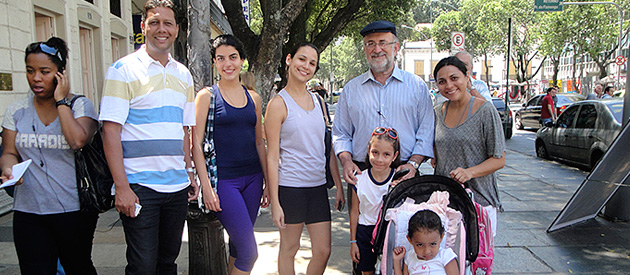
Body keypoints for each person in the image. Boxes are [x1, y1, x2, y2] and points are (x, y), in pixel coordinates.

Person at [99, 0, 198, 273]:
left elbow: (185, 129)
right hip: (139, 187)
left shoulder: (184, 75)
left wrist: (189, 172)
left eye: (167, 23)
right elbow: (110, 131)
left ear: (176, 29)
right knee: (142, 266)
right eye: (154, 22)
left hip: (176, 188)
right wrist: (121, 187)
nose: (161, 29)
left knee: (167, 263)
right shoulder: (122, 70)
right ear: (143, 27)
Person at [0, 37, 99, 274]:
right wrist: (8, 168)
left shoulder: (80, 106)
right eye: (30, 71)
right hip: (28, 211)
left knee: (78, 267)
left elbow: (77, 140)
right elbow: (9, 152)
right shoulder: (16, 110)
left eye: (45, 71)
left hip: (72, 210)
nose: (36, 78)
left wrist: (61, 101)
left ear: (60, 73)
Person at [265, 42, 345, 275]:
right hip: (290, 188)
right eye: (302, 59)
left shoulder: (319, 101)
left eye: (312, 63)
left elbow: (326, 148)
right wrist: (275, 202)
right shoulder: (278, 104)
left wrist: (338, 185)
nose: (306, 66)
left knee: (323, 250)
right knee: (290, 248)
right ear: (289, 59)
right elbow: (272, 157)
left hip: (318, 188)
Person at [191, 34, 268, 275]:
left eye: (233, 57)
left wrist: (267, 183)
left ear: (242, 60)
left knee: (238, 246)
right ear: (214, 62)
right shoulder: (206, 96)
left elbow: (259, 142)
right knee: (249, 252)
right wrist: (206, 187)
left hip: (253, 180)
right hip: (224, 182)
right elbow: (196, 144)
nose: (228, 64)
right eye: (221, 58)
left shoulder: (253, 98)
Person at [332, 20, 434, 187]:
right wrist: (346, 161)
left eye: (383, 43)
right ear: (364, 49)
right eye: (370, 44)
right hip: (361, 173)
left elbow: (426, 130)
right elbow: (341, 133)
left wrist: (414, 164)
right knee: (359, 214)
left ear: (395, 47)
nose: (377, 49)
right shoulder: (351, 89)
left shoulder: (417, 86)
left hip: (405, 172)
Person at [432, 56, 505, 237]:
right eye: (442, 81)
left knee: (476, 262)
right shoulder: (436, 113)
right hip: (445, 203)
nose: (448, 85)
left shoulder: (485, 110)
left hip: (479, 202)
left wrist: (469, 172)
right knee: (446, 262)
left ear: (467, 78)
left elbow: (499, 159)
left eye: (454, 78)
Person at [350, 127, 401, 274]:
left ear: (394, 156)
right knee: (367, 270)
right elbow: (355, 212)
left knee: (389, 269)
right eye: (375, 152)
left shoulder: (398, 180)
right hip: (365, 231)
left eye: (386, 154)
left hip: (389, 232)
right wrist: (353, 242)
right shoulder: (358, 180)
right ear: (368, 150)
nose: (379, 159)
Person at [392, 210, 459, 275]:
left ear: (441, 238)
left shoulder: (446, 256)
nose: (427, 251)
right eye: (420, 245)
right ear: (410, 240)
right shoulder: (409, 257)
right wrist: (397, 261)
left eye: (433, 244)